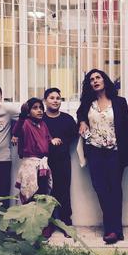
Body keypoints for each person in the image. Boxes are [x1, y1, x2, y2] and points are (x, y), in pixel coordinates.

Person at [77, 69, 128, 244]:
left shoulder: (119, 102)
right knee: (100, 189)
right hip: (94, 151)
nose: (95, 81)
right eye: (91, 79)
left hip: (115, 152)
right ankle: (113, 228)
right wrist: (82, 121)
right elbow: (80, 115)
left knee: (114, 189)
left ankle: (113, 229)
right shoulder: (88, 103)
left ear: (104, 80)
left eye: (98, 78)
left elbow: (126, 125)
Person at [43, 88, 77, 227]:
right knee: (45, 192)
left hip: (63, 160)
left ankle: (65, 222)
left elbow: (74, 136)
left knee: (63, 191)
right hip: (44, 161)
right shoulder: (40, 119)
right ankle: (47, 224)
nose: (55, 101)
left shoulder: (67, 119)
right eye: (52, 98)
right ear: (45, 101)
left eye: (58, 98)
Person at [12, 98, 53, 205]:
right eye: (35, 108)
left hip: (43, 165)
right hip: (30, 164)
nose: (39, 110)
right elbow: (16, 132)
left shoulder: (43, 124)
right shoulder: (25, 123)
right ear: (28, 112)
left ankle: (41, 216)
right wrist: (22, 115)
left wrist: (53, 140)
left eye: (41, 108)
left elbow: (48, 139)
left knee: (42, 195)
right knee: (30, 195)